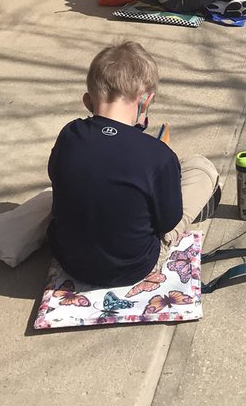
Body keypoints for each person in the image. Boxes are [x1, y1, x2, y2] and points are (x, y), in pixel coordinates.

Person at [48, 41, 221, 288]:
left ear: (88, 101)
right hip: (133, 266)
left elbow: (55, 175)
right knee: (201, 167)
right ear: (145, 101)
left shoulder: (69, 134)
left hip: (69, 260)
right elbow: (167, 222)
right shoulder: (158, 155)